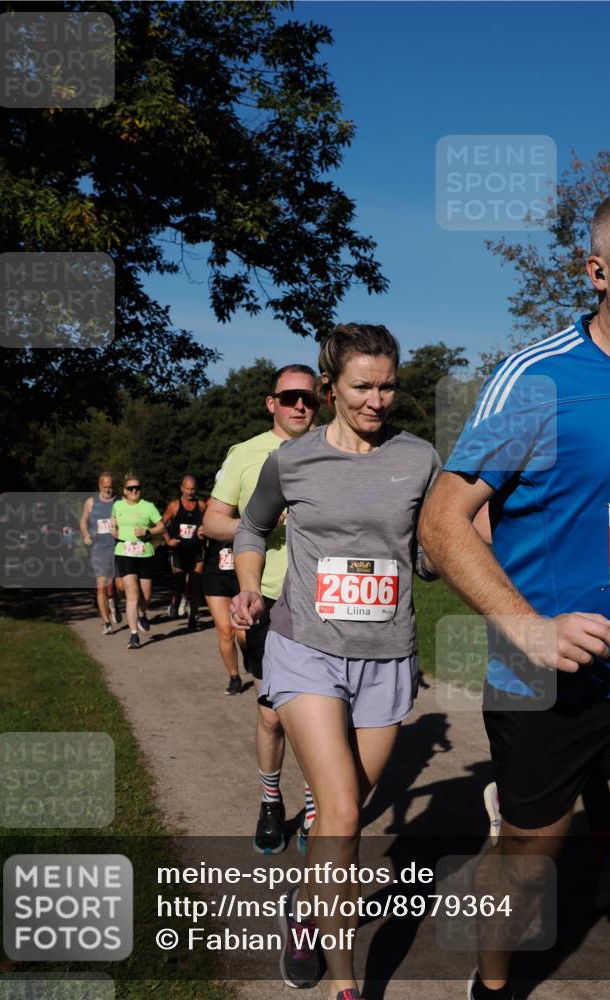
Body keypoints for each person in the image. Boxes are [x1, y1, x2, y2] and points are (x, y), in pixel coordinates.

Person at [419, 183, 610, 1000]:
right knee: (528, 857)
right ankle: (490, 981)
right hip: (547, 683)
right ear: (598, 270)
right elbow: (442, 521)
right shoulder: (536, 380)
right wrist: (530, 629)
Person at [231, 324, 441, 999]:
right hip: (305, 649)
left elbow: (429, 556)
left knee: (335, 818)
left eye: (388, 386)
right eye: (362, 387)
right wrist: (248, 586)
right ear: (330, 389)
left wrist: (454, 548)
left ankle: (304, 906)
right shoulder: (293, 460)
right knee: (344, 814)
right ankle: (344, 985)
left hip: (387, 657)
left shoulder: (420, 458)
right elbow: (250, 526)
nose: (377, 401)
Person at [203, 364, 319, 852]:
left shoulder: (337, 450)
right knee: (272, 715)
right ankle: (271, 800)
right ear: (271, 403)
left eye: (309, 398)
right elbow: (212, 522)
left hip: (325, 599)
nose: (300, 405)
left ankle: (315, 804)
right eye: (289, 397)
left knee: (325, 715)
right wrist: (262, 521)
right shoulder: (246, 454)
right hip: (268, 598)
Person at [202, 482, 247, 695]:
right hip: (216, 574)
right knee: (225, 630)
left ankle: (248, 653)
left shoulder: (250, 507)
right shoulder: (211, 509)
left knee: (244, 633)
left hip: (242, 574)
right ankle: (234, 677)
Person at [112, 475, 166, 650]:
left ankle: (142, 613)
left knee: (146, 595)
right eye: (130, 488)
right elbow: (113, 522)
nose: (134, 491)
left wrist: (147, 531)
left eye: (137, 488)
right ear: (124, 491)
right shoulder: (118, 505)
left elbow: (162, 526)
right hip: (124, 552)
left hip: (144, 553)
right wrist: (113, 530)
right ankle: (134, 635)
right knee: (132, 593)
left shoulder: (148, 507)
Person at [162, 475, 206, 632]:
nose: (190, 492)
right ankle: (176, 599)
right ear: (182, 488)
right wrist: (168, 540)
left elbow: (207, 523)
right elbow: (161, 524)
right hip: (179, 551)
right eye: (187, 489)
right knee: (179, 580)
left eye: (193, 489)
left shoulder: (201, 506)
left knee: (195, 584)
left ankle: (192, 618)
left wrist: (204, 535)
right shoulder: (174, 506)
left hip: (196, 550)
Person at [80, 472, 122, 636]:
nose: (108, 490)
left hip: (118, 548)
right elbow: (83, 521)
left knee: (120, 586)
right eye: (105, 487)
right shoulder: (91, 502)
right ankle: (106, 623)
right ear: (99, 486)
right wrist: (85, 535)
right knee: (101, 587)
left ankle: (115, 603)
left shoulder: (120, 501)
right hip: (99, 549)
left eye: (111, 487)